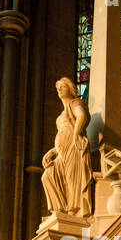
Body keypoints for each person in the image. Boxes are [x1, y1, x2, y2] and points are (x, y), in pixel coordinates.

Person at [41, 77, 92, 216]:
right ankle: (60, 209)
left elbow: (81, 116)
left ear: (71, 89)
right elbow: (62, 133)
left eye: (63, 86)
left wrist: (76, 135)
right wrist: (52, 152)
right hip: (61, 151)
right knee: (47, 175)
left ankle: (73, 209)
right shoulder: (60, 116)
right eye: (58, 87)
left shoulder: (75, 103)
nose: (59, 89)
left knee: (71, 177)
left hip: (73, 145)